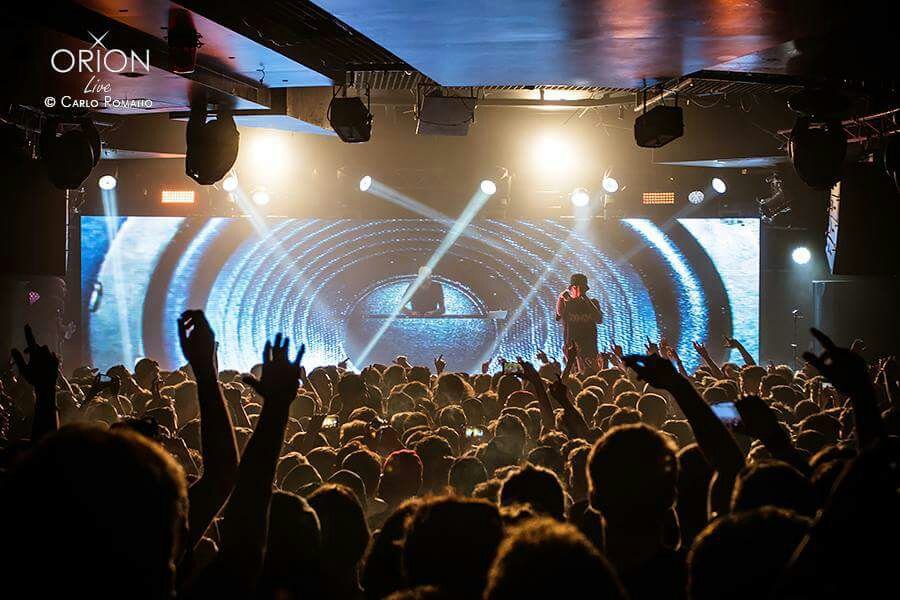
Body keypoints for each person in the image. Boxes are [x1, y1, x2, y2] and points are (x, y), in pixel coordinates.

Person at [556, 273, 602, 371]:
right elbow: (559, 313)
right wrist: (560, 298)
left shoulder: (593, 303)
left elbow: (599, 319)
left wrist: (585, 297)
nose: (579, 290)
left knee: (593, 374)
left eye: (582, 288)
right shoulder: (566, 303)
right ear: (571, 288)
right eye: (576, 287)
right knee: (575, 375)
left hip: (590, 350)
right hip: (572, 351)